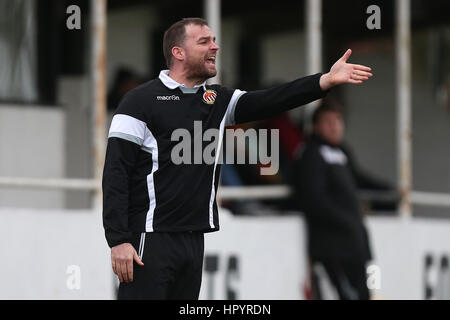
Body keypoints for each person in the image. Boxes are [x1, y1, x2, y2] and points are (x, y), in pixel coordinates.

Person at [102, 17, 373, 300]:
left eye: (215, 40)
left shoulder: (216, 100)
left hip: (194, 240)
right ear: (178, 52)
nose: (215, 47)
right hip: (151, 239)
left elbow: (271, 99)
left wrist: (323, 81)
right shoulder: (139, 101)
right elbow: (115, 172)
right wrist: (119, 238)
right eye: (204, 41)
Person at [292, 103, 394, 300]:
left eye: (338, 121)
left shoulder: (343, 152)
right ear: (314, 127)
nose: (335, 127)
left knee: (370, 293)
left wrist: (391, 192)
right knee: (345, 295)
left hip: (359, 246)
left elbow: (360, 178)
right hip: (332, 248)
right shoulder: (311, 154)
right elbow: (314, 199)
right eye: (328, 122)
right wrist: (347, 220)